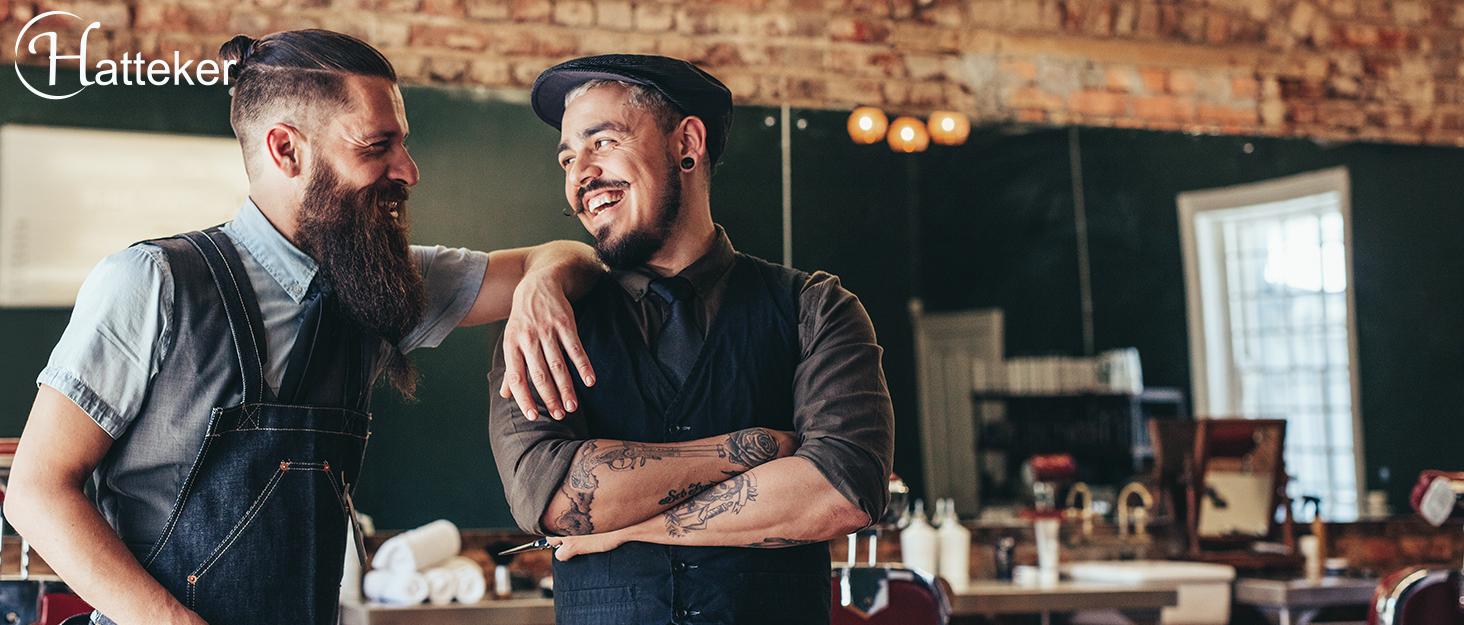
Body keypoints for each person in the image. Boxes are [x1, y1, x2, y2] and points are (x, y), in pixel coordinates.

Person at [3, 30, 602, 625]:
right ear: (286, 149)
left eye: (405, 145)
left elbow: (566, 254)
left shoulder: (381, 282)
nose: (410, 171)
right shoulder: (153, 281)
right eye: (377, 146)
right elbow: (37, 492)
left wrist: (540, 289)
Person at [489, 54, 895, 625]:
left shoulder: (817, 309)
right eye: (566, 158)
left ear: (687, 143)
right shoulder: (541, 327)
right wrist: (761, 449)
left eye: (601, 142)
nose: (579, 175)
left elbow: (843, 489)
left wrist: (629, 528)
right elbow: (553, 499)